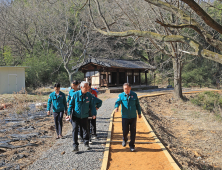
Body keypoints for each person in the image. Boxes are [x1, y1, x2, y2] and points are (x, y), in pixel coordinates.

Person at [66, 81, 97, 153]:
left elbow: (92, 106)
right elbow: (71, 105)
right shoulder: (75, 94)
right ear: (81, 87)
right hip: (75, 116)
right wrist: (68, 114)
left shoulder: (89, 95)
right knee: (75, 130)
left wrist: (93, 114)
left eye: (88, 87)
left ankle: (86, 144)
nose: (87, 88)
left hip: (85, 116)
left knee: (86, 130)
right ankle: (75, 146)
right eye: (85, 87)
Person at [114, 83, 141, 152]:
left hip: (133, 116)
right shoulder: (121, 95)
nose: (126, 90)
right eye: (125, 89)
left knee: (133, 131)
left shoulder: (134, 95)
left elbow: (137, 104)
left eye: (127, 88)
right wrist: (116, 107)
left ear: (130, 88)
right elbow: (117, 102)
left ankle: (132, 145)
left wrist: (139, 113)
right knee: (125, 130)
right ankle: (124, 139)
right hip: (125, 116)